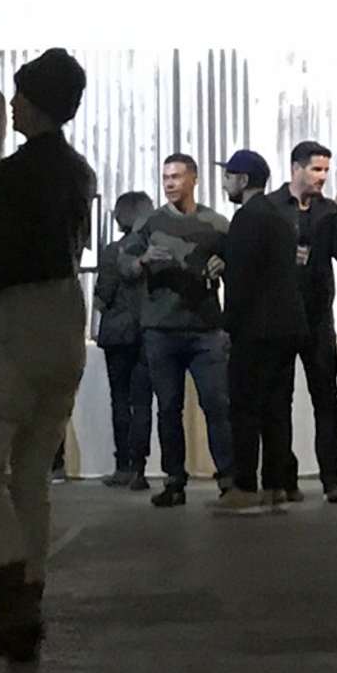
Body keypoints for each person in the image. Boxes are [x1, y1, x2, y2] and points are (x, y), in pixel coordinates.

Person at [0, 48, 99, 665]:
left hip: (14, 326)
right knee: (32, 473)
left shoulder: (13, 176)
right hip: (64, 322)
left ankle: (13, 600)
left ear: (35, 104)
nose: (12, 105)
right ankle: (29, 598)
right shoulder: (80, 172)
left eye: (19, 95)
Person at [129, 151, 233, 508]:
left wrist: (225, 264)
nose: (170, 183)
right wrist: (142, 261)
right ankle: (174, 480)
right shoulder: (150, 223)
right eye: (165, 178)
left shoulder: (216, 224)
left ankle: (229, 479)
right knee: (168, 408)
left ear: (194, 179)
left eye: (176, 176)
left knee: (217, 405)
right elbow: (124, 264)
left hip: (206, 329)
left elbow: (238, 263)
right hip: (161, 330)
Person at [213, 149, 304, 511]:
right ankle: (276, 485)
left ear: (243, 180)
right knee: (277, 409)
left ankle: (245, 486)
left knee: (245, 407)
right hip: (287, 326)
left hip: (255, 329)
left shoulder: (247, 218)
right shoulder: (279, 216)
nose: (225, 183)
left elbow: (242, 280)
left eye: (228, 176)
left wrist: (228, 326)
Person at [286, 141, 337, 504]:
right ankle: (283, 478)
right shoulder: (273, 208)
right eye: (316, 169)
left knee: (326, 397)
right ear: (296, 168)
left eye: (326, 170)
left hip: (317, 318)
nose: (323, 177)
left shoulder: (329, 210)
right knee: (277, 400)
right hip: (280, 317)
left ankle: (332, 479)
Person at [91, 192, 158, 487]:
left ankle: (123, 465)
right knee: (143, 401)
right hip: (148, 331)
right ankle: (140, 468)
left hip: (117, 333)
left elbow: (102, 296)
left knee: (120, 399)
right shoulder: (155, 251)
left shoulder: (111, 251)